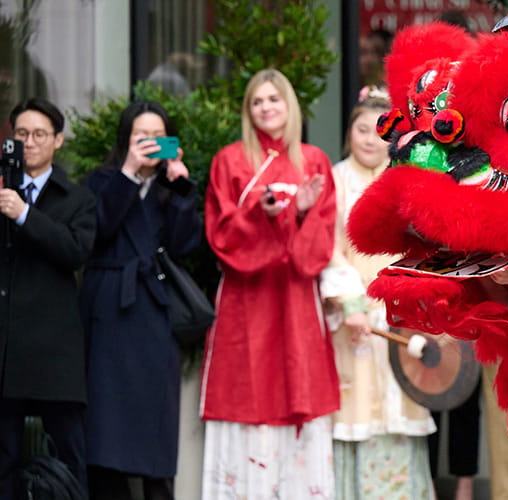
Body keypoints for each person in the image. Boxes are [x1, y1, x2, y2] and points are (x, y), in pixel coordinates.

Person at [200, 69, 339, 498]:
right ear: (248, 110)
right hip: (247, 297)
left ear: (289, 106)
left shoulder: (313, 161)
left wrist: (299, 213)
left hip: (295, 296)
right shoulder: (229, 160)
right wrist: (261, 214)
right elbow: (221, 235)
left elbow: (320, 245)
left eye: (274, 100)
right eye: (257, 101)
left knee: (297, 381)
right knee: (245, 390)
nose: (266, 108)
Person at [80, 101, 201, 500]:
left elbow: (185, 244)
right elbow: (97, 231)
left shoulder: (170, 186)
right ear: (125, 141)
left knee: (156, 421)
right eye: (140, 136)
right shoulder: (101, 180)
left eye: (156, 136)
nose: (149, 144)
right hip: (109, 308)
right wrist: (129, 174)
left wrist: (181, 187)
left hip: (153, 310)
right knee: (106, 422)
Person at [319, 96, 436, 498]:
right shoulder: (333, 181)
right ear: (348, 132)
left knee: (401, 410)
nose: (370, 140)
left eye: (380, 132)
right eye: (361, 129)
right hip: (356, 320)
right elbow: (327, 246)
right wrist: (350, 303)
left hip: (403, 313)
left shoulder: (405, 181)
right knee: (357, 412)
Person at [0, 97, 95, 496]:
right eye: (21, 134)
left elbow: (74, 251)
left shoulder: (76, 198)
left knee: (69, 454)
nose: (30, 142)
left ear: (58, 140)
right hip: (5, 351)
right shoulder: (2, 188)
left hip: (54, 352)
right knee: (2, 459)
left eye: (40, 134)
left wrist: (24, 214)